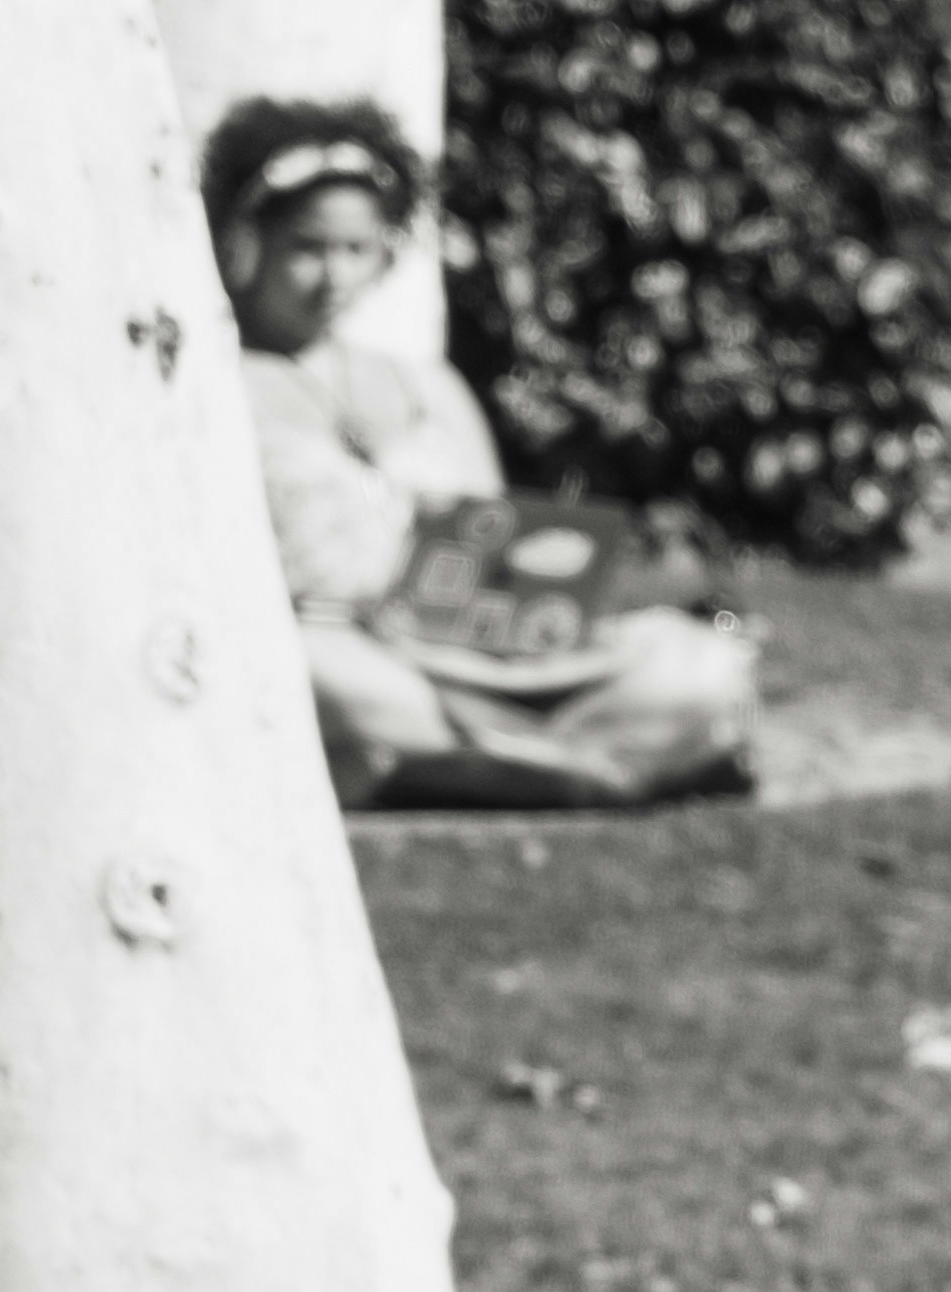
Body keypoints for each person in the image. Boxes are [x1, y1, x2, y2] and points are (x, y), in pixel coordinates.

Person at [205, 97, 764, 812]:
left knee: (697, 662)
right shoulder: (213, 388)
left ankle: (487, 764)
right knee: (323, 683)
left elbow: (496, 534)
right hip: (339, 646)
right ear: (246, 244)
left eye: (356, 250)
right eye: (307, 248)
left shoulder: (426, 388)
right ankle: (582, 764)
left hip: (478, 649)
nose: (332, 277)